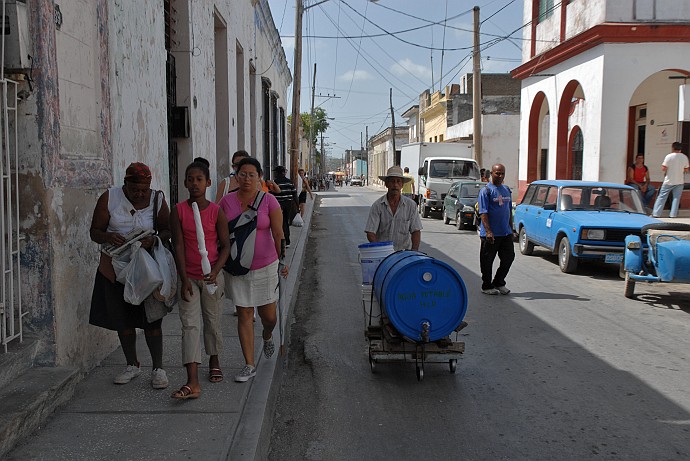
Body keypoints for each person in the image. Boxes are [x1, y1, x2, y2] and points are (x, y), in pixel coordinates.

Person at [89, 162, 171, 389]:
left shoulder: (157, 200)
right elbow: (94, 232)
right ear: (125, 184)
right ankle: (131, 365)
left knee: (152, 320)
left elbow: (168, 229)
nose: (140, 193)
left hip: (147, 270)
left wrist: (153, 240)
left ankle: (158, 369)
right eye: (135, 189)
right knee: (122, 320)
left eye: (144, 189)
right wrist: (108, 237)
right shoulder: (109, 198)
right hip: (115, 269)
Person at [219, 157, 289, 383]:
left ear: (259, 177)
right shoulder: (226, 203)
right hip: (237, 268)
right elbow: (220, 235)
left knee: (269, 316)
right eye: (242, 174)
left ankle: (267, 334)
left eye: (252, 175)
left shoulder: (269, 201)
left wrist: (282, 261)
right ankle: (249, 364)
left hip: (266, 265)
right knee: (244, 314)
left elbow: (279, 234)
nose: (247, 179)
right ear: (236, 176)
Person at [169, 159, 230, 399]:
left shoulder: (216, 211)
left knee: (212, 321)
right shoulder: (179, 211)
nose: (195, 184)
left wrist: (215, 270)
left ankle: (214, 359)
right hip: (190, 278)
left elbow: (225, 246)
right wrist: (184, 279)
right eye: (191, 180)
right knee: (190, 325)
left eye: (199, 180)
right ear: (185, 182)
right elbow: (179, 246)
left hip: (211, 277)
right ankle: (192, 380)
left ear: (208, 183)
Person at [477, 164, 515, 295]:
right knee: (487, 261)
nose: (500, 176)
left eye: (502, 173)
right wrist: (488, 231)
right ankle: (487, 286)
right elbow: (483, 212)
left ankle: (499, 282)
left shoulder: (506, 190)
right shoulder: (486, 191)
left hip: (505, 233)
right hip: (491, 234)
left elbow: (509, 210)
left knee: (509, 257)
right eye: (497, 173)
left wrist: (511, 228)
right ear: (491, 174)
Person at [365, 165, 422, 251]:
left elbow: (416, 231)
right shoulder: (377, 206)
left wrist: (414, 252)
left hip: (403, 255)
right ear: (386, 184)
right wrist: (379, 249)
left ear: (402, 185)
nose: (395, 185)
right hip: (383, 255)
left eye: (398, 181)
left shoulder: (411, 206)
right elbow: (370, 232)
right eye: (392, 181)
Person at [652, 142, 690, 218]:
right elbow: (686, 170)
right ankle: (673, 215)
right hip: (679, 181)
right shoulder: (684, 157)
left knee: (662, 197)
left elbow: (663, 168)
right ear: (680, 149)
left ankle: (656, 213)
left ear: (673, 148)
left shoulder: (669, 156)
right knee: (676, 198)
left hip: (668, 181)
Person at [271, 165, 298, 248]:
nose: (275, 174)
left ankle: (283, 241)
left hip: (278, 206)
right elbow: (294, 194)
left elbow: (271, 194)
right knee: (285, 222)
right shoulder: (290, 182)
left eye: (276, 172)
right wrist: (297, 207)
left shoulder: (275, 183)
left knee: (280, 223)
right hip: (288, 204)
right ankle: (287, 240)